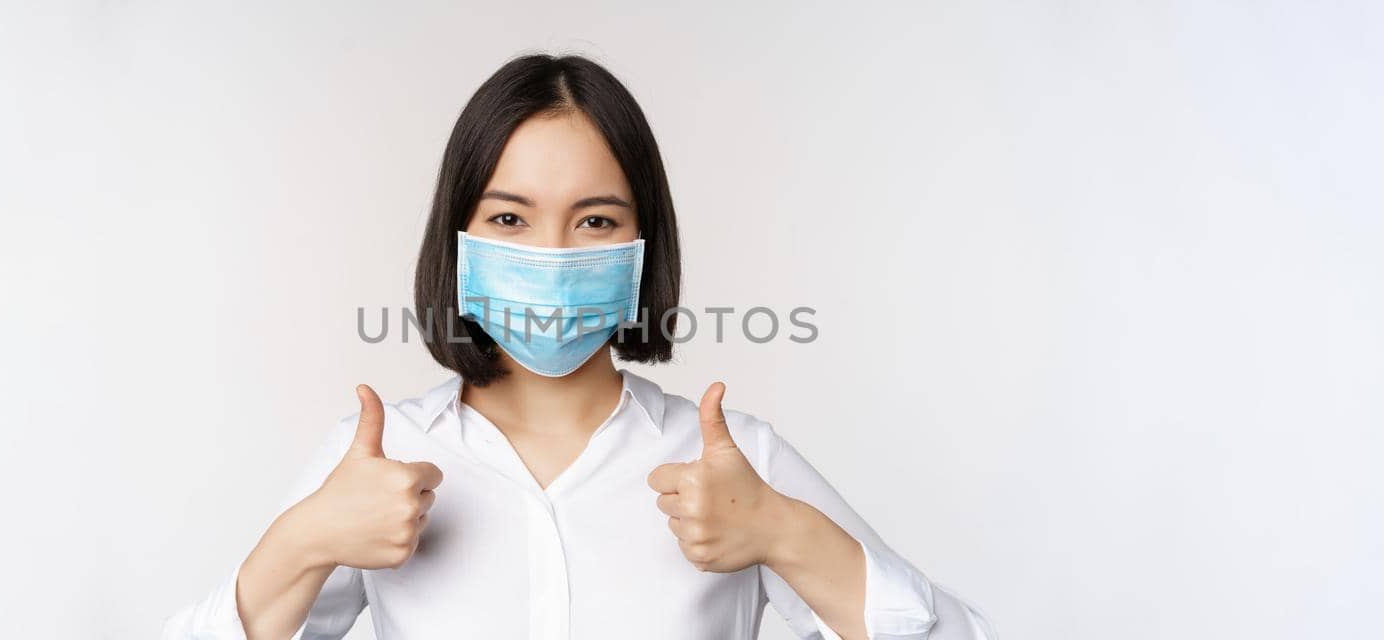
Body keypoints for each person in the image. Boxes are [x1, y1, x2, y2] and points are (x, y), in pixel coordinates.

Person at [163, 53, 993, 640]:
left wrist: (789, 536)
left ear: (644, 243)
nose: (554, 257)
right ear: (459, 238)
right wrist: (302, 545)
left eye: (595, 220)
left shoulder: (736, 470)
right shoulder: (378, 462)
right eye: (510, 219)